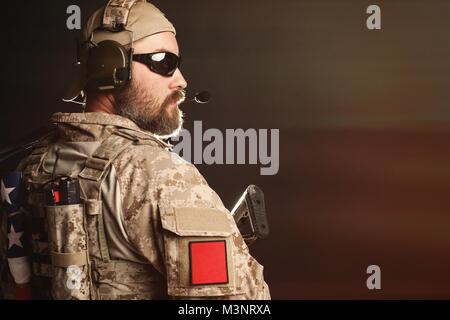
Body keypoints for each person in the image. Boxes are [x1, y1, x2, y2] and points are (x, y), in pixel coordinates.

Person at [0, 0, 270, 300]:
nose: (181, 81)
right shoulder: (157, 174)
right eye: (163, 62)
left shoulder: (31, 165)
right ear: (112, 66)